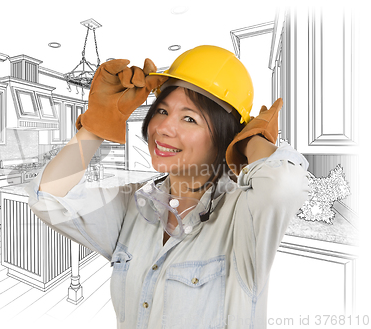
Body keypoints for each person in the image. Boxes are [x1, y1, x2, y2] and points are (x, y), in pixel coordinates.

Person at [26, 45, 310, 329]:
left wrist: (252, 140)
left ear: (227, 136)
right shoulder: (134, 204)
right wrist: (96, 125)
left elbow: (284, 185)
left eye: (190, 118)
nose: (162, 128)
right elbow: (49, 197)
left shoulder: (244, 215)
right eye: (162, 110)